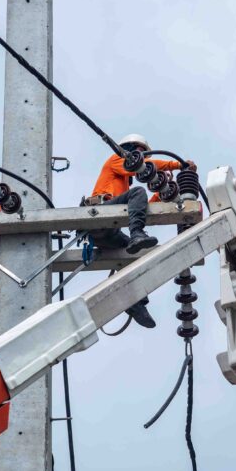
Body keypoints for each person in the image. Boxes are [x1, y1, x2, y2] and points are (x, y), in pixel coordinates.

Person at [83, 133, 197, 328]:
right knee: (138, 193)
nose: (144, 159)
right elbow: (136, 167)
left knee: (136, 257)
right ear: (128, 149)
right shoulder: (116, 160)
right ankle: (137, 233)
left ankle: (136, 301)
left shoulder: (124, 186)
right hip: (98, 216)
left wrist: (165, 192)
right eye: (141, 153)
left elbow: (141, 208)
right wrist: (178, 165)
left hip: (107, 231)